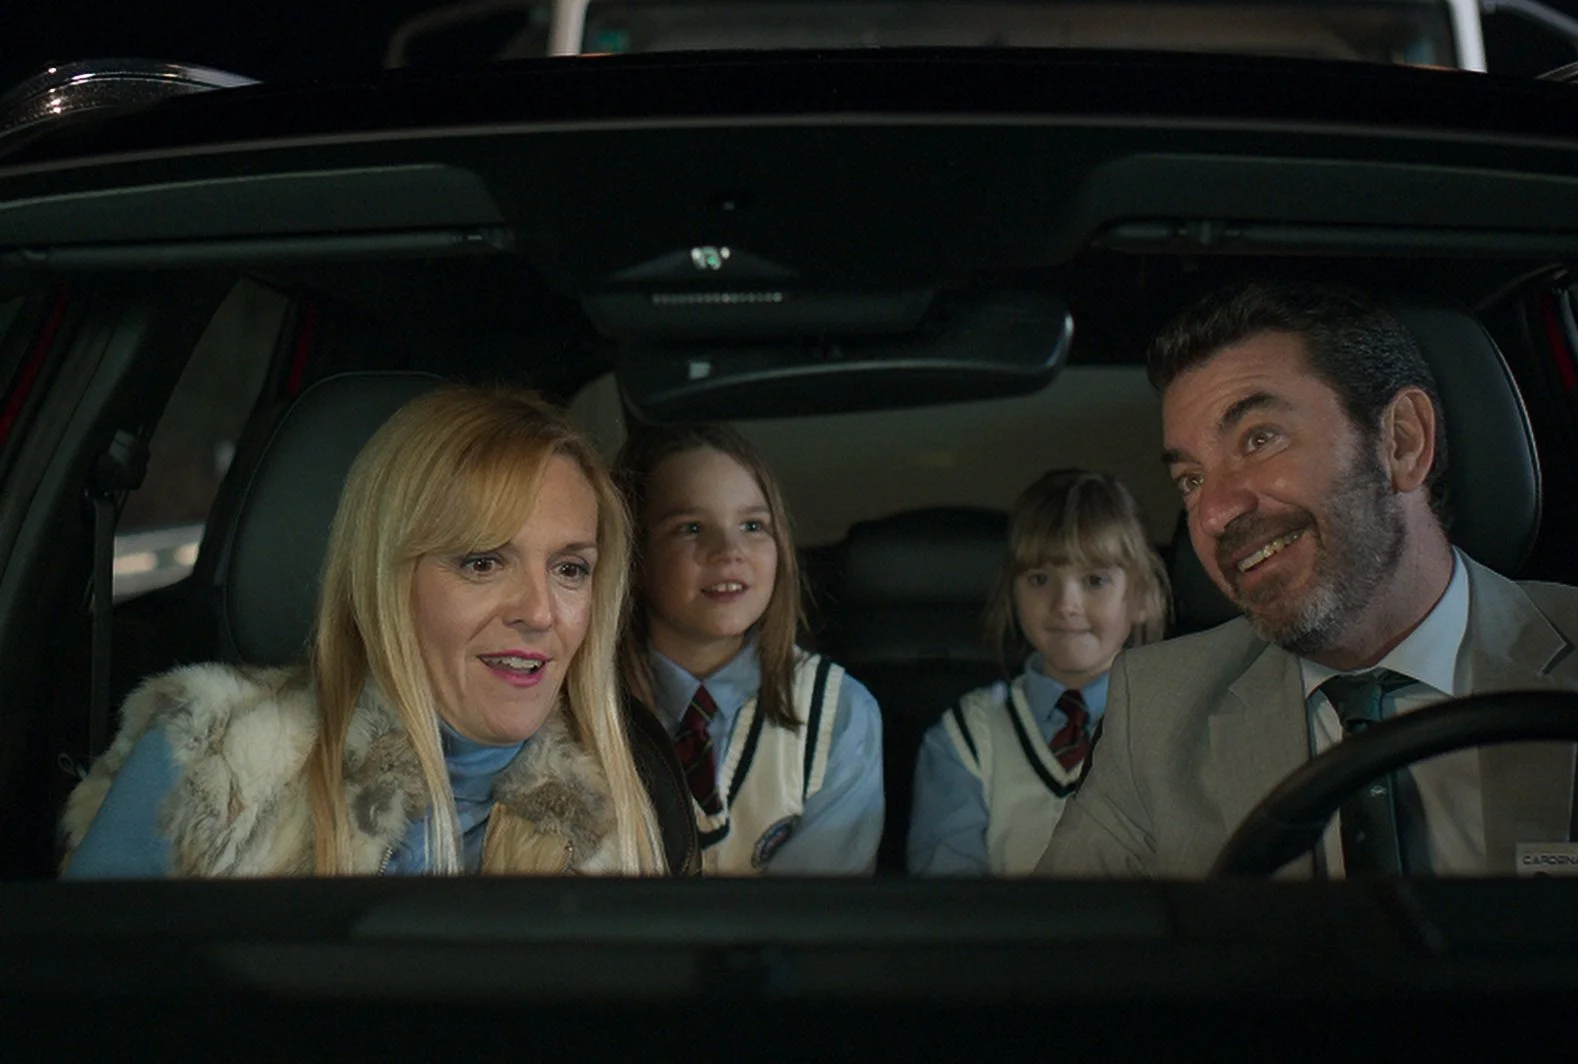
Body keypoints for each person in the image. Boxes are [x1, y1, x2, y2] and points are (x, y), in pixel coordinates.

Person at [1037, 280, 1578, 879]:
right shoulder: (1158, 713)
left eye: (1258, 439)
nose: (1216, 512)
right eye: (1192, 480)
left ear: (1402, 442)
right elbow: (1058, 976)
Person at [63, 386, 673, 877]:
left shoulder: (628, 815)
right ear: (384, 579)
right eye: (482, 562)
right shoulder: (207, 763)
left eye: (570, 569)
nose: (540, 612)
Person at [617, 422, 884, 875]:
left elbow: (815, 916)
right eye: (692, 528)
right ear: (635, 556)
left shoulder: (840, 713)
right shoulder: (584, 704)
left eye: (752, 525)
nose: (729, 551)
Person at [908, 469, 1170, 876]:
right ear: (1013, 593)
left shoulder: (1175, 726)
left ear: (1142, 598)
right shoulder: (967, 737)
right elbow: (950, 899)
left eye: (1095, 580)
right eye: (1040, 579)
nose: (1066, 604)